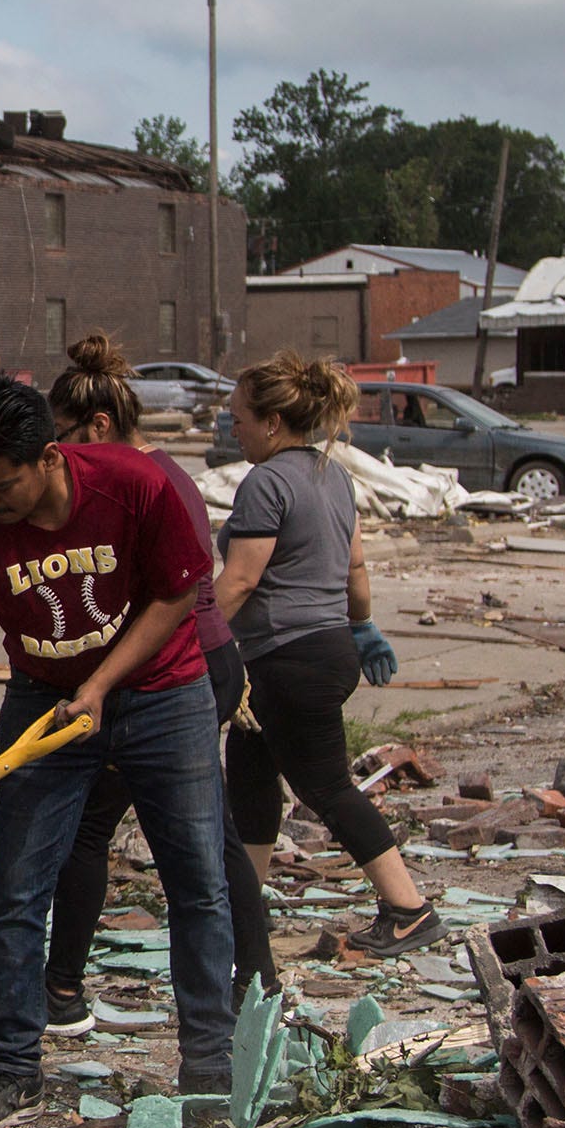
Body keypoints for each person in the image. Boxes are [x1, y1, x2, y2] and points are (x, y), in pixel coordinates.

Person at [0, 375, 235, 1128]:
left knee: (196, 879)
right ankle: (12, 1068)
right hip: (42, 700)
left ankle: (209, 1068)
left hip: (165, 694)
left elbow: (176, 599)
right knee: (17, 887)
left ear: (51, 456)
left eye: (2, 488)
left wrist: (100, 684)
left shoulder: (137, 486)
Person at [37, 335, 278, 1033]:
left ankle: (62, 990)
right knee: (213, 835)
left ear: (99, 428)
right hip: (209, 658)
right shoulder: (165, 469)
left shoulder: (121, 483)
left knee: (92, 827)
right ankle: (256, 976)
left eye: (61, 439)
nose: (55, 455)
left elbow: (135, 598)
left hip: (171, 671)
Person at [213, 353, 434, 954]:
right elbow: (355, 565)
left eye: (239, 418)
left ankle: (408, 908)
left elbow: (238, 581)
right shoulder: (331, 475)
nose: (232, 427)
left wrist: (187, 636)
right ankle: (243, 910)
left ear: (273, 422)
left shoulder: (267, 482)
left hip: (290, 659)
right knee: (253, 777)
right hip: (320, 649)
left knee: (327, 789)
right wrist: (363, 626)